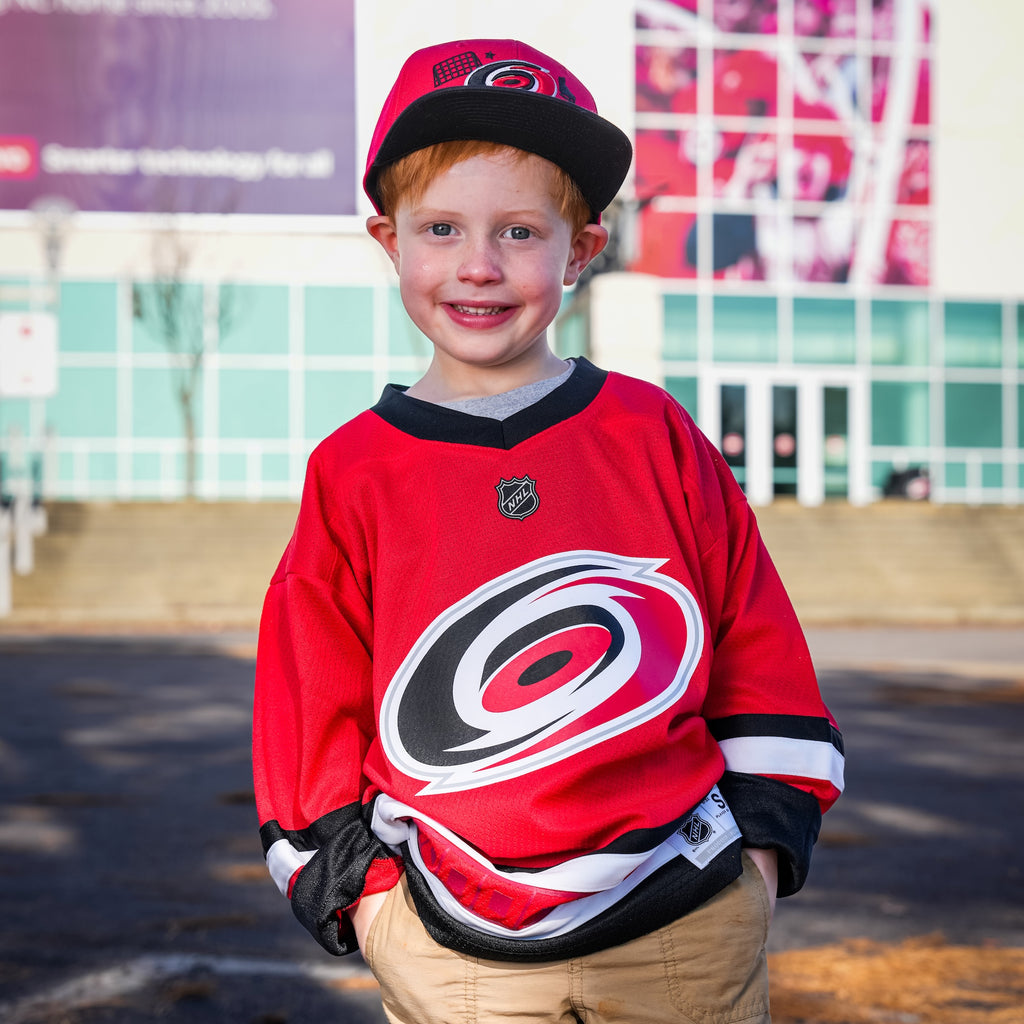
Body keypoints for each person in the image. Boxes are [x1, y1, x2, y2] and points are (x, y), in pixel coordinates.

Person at [252, 37, 844, 1024]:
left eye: (520, 233)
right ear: (387, 239)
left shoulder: (651, 433)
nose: (477, 266)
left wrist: (764, 844)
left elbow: (753, 634)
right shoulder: (352, 471)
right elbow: (309, 696)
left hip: (684, 916)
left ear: (580, 248)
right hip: (451, 943)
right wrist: (359, 893)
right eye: (440, 227)